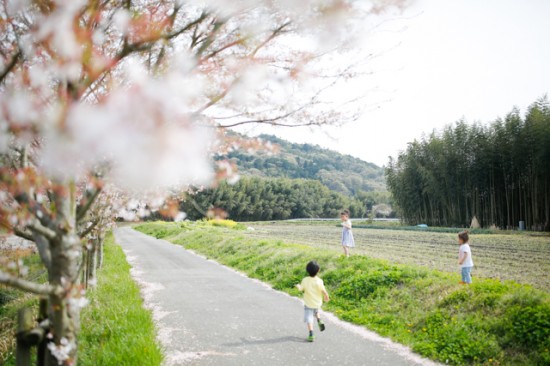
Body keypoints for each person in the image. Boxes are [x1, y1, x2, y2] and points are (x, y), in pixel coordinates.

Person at [296, 260, 330, 342]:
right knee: (316, 310)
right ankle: (319, 319)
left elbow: (301, 289)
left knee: (309, 319)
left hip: (308, 303)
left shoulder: (305, 280)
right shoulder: (319, 281)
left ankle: (311, 333)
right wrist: (326, 295)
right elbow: (323, 290)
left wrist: (298, 286)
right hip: (317, 302)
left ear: (307, 270)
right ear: (318, 270)